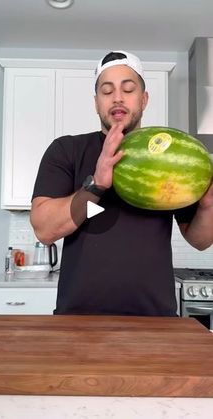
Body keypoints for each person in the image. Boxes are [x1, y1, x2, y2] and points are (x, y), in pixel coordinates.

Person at [30, 50, 213, 317]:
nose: (117, 97)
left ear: (144, 99)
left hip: (155, 321)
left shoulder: (168, 155)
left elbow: (200, 240)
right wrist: (96, 185)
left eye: (128, 89)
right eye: (107, 91)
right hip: (78, 321)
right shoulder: (66, 150)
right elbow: (44, 230)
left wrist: (208, 206)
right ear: (96, 103)